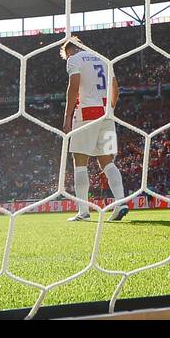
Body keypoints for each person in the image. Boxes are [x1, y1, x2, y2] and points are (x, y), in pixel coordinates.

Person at [62, 38, 129, 222]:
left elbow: (73, 85)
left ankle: (83, 211)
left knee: (79, 160)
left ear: (70, 51)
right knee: (107, 161)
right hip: (107, 115)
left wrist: (67, 116)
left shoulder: (74, 59)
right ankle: (121, 202)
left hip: (86, 113)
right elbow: (115, 87)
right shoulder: (103, 59)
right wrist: (112, 108)